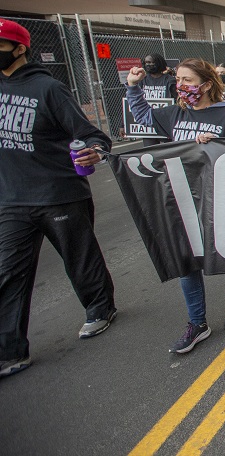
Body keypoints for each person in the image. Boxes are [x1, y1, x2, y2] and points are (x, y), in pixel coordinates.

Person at [0, 19, 117, 378]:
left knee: (79, 259)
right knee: (6, 273)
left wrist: (95, 150)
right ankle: (10, 351)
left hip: (59, 194)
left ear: (19, 48)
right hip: (12, 199)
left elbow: (91, 134)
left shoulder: (49, 89)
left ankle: (100, 308)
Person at [126, 59, 225, 353]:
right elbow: (143, 116)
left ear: (207, 85)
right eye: (178, 79)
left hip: (221, 197)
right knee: (186, 258)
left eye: (187, 80)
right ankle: (197, 322)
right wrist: (133, 87)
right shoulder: (176, 113)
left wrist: (218, 143)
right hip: (184, 199)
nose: (180, 85)